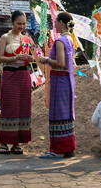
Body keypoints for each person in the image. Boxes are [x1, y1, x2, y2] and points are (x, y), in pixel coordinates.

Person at [39, 12, 76, 158]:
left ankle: (57, 150)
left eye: (55, 21)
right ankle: (68, 148)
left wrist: (45, 59)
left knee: (57, 113)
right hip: (67, 80)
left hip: (59, 80)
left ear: (61, 22)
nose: (54, 24)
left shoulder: (60, 41)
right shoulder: (70, 39)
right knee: (66, 114)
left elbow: (60, 63)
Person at [0, 10, 34, 154]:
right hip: (9, 75)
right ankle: (4, 142)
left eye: (24, 23)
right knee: (9, 107)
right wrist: (15, 58)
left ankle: (17, 143)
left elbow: (36, 54)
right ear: (11, 22)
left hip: (24, 76)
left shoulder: (27, 39)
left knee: (22, 107)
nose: (22, 26)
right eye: (19, 23)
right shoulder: (4, 37)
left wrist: (32, 57)